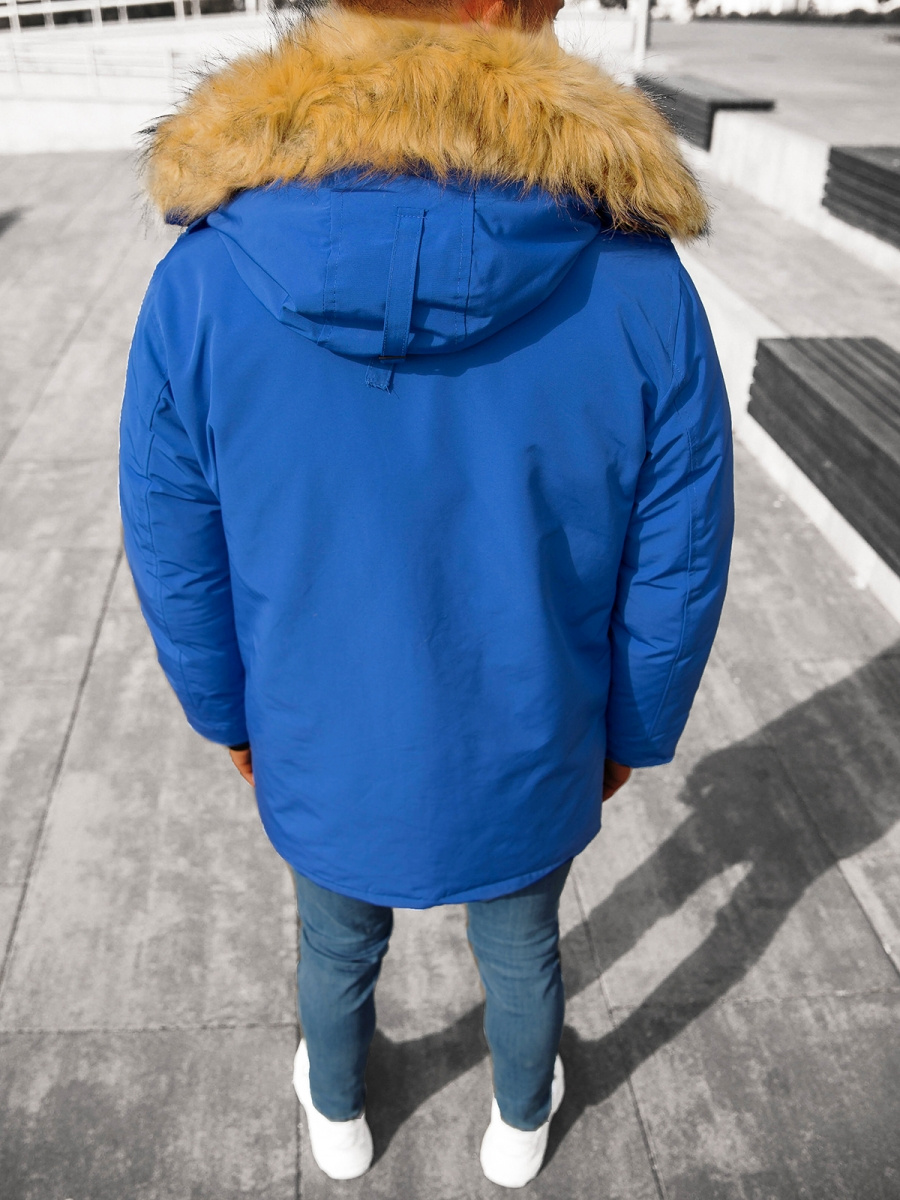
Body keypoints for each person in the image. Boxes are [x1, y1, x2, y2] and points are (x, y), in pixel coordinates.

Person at [118, 0, 734, 1185]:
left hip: (316, 730)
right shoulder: (637, 280)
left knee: (335, 942)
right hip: (533, 728)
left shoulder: (201, 281)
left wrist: (227, 717)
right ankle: (519, 1124)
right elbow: (681, 557)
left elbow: (173, 546)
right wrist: (632, 730)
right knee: (523, 946)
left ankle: (337, 1115)